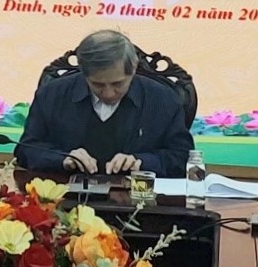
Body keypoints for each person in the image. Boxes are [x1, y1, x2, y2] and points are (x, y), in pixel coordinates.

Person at [16, 30, 194, 178]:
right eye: (98, 85)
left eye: (118, 84)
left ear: (133, 68)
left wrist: (141, 162)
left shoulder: (163, 100)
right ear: (83, 73)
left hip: (139, 200)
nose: (109, 94)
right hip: (65, 198)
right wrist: (62, 159)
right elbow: (26, 150)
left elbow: (182, 158)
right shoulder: (52, 95)